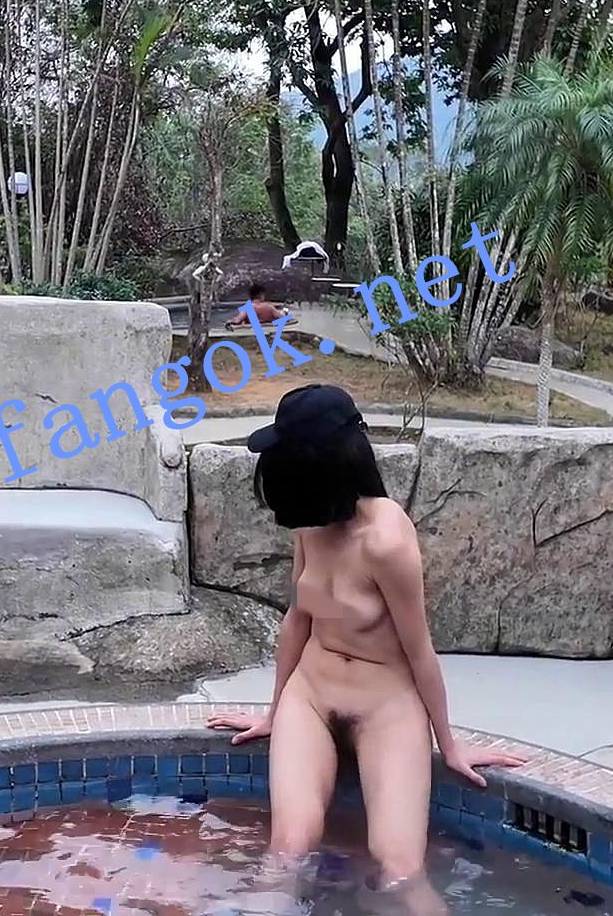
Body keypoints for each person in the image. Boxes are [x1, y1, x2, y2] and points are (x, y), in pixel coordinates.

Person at [207, 384, 526, 913]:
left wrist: (449, 746)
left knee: (399, 870)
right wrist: (273, 712)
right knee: (288, 849)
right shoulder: (310, 525)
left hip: (385, 706)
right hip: (312, 695)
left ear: (317, 464)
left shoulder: (387, 542)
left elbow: (420, 651)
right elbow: (298, 619)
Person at [226, 283, 290, 328]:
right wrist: (285, 313)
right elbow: (282, 317)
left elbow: (237, 320)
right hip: (268, 327)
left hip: (251, 328)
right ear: (261, 295)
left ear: (250, 296)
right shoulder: (269, 306)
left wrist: (230, 322)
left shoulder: (247, 308)